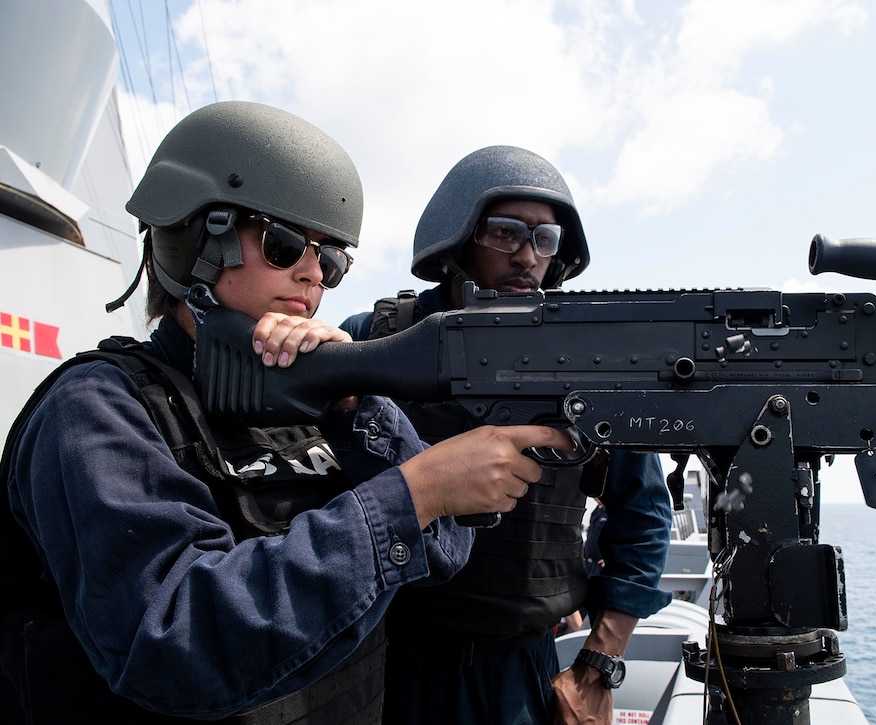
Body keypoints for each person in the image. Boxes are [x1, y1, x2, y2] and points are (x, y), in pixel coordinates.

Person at [0, 104, 571, 723]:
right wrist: (416, 492)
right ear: (196, 238)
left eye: (330, 260)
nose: (311, 274)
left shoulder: (316, 402)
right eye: (283, 243)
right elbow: (173, 640)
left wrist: (356, 407)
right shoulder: (98, 409)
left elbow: (445, 554)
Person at [341, 145, 673, 724]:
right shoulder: (378, 340)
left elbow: (642, 510)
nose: (527, 256)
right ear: (459, 238)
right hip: (386, 660)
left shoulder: (588, 362)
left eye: (544, 240)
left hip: (520, 674)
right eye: (506, 233)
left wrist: (600, 662)